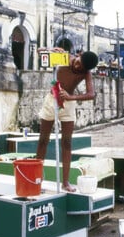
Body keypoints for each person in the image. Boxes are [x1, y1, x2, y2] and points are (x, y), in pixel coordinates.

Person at [36, 50, 98, 192]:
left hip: (68, 103)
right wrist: (45, 50)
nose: (77, 67)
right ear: (78, 55)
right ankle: (37, 178)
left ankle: (65, 182)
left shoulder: (86, 72)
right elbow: (48, 52)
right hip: (52, 99)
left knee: (67, 142)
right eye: (78, 63)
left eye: (81, 68)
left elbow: (91, 94)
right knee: (43, 140)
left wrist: (70, 97)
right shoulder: (64, 57)